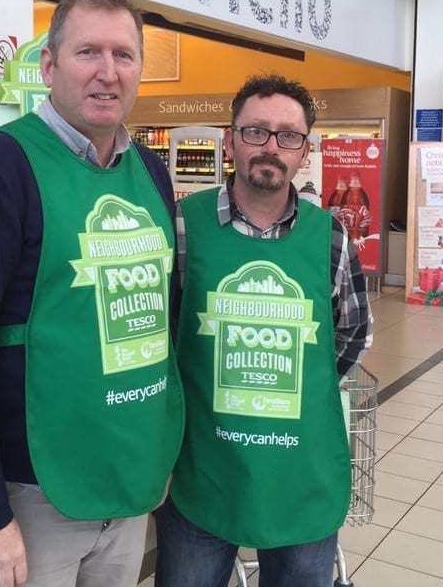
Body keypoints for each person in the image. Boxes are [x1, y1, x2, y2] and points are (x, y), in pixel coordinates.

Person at [0, 0, 184, 587]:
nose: (107, 73)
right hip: (31, 500)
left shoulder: (150, 172)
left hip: (126, 483)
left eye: (124, 55)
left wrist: (158, 449)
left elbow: (158, 322)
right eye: (88, 52)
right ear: (49, 63)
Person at [154, 73, 372, 587]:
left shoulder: (331, 237)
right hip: (203, 468)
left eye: (288, 136)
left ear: (305, 151)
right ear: (230, 140)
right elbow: (161, 340)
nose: (271, 147)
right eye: (255, 132)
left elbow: (352, 335)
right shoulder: (183, 224)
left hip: (302, 474)